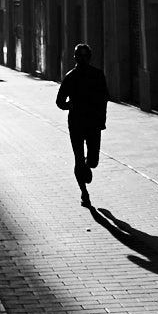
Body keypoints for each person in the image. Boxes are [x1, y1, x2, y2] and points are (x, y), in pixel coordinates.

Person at [56, 43, 109, 207]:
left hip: (93, 123)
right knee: (78, 159)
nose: (83, 59)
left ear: (90, 57)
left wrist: (102, 121)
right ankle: (84, 193)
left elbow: (104, 99)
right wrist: (69, 106)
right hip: (76, 123)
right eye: (80, 56)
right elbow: (59, 101)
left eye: (86, 56)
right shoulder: (70, 77)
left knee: (93, 161)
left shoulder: (97, 75)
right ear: (75, 58)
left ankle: (87, 165)